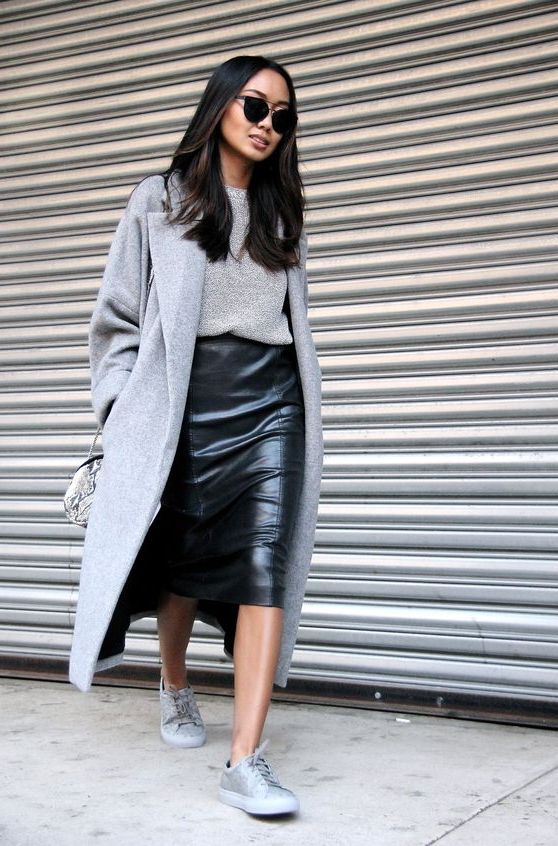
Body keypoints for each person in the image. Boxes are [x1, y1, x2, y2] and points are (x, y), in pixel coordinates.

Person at [68, 55, 324, 818]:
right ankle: (175, 685)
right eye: (254, 105)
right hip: (185, 401)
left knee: (262, 564)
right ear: (219, 105)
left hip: (273, 400)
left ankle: (246, 759)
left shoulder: (283, 212)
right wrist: (120, 410)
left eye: (282, 115)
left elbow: (291, 323)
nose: (266, 124)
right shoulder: (161, 199)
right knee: (183, 556)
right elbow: (116, 316)